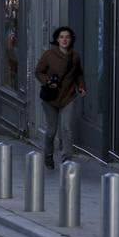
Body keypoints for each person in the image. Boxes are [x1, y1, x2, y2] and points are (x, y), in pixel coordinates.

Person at [34, 26, 85, 169]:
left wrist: (81, 87)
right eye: (61, 37)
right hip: (50, 99)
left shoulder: (75, 56)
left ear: (71, 39)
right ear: (57, 39)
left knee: (67, 128)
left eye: (67, 37)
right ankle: (48, 155)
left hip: (68, 97)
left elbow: (79, 74)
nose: (64, 40)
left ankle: (67, 160)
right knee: (51, 130)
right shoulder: (49, 55)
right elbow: (38, 72)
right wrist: (47, 81)